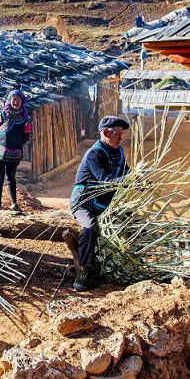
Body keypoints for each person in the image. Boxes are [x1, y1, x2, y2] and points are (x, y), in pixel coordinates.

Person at [65, 115, 130, 292]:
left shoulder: (119, 151)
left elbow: (126, 173)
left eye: (121, 133)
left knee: (132, 221)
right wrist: (131, 179)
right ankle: (84, 272)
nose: (120, 137)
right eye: (117, 133)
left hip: (104, 205)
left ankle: (133, 262)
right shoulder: (95, 153)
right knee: (90, 227)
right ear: (105, 133)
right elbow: (106, 181)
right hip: (84, 203)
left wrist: (141, 183)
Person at [0, 90, 32, 212]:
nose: (15, 102)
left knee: (11, 178)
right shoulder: (2, 115)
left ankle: (14, 203)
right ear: (9, 100)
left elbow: (26, 136)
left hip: (14, 154)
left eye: (18, 99)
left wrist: (16, 144)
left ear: (22, 102)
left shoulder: (24, 119)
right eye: (13, 99)